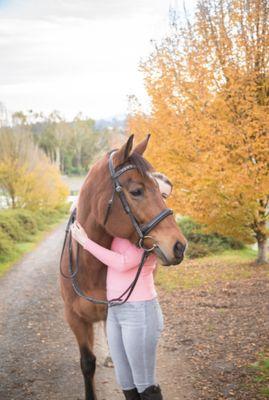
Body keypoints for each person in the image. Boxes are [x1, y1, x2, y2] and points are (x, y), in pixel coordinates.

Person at [70, 172, 173, 400]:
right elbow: (101, 211)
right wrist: (78, 211)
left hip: (139, 311)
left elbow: (123, 262)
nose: (161, 201)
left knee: (145, 382)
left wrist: (85, 242)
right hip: (116, 310)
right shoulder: (129, 226)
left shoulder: (151, 234)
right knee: (125, 381)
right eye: (159, 194)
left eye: (165, 197)